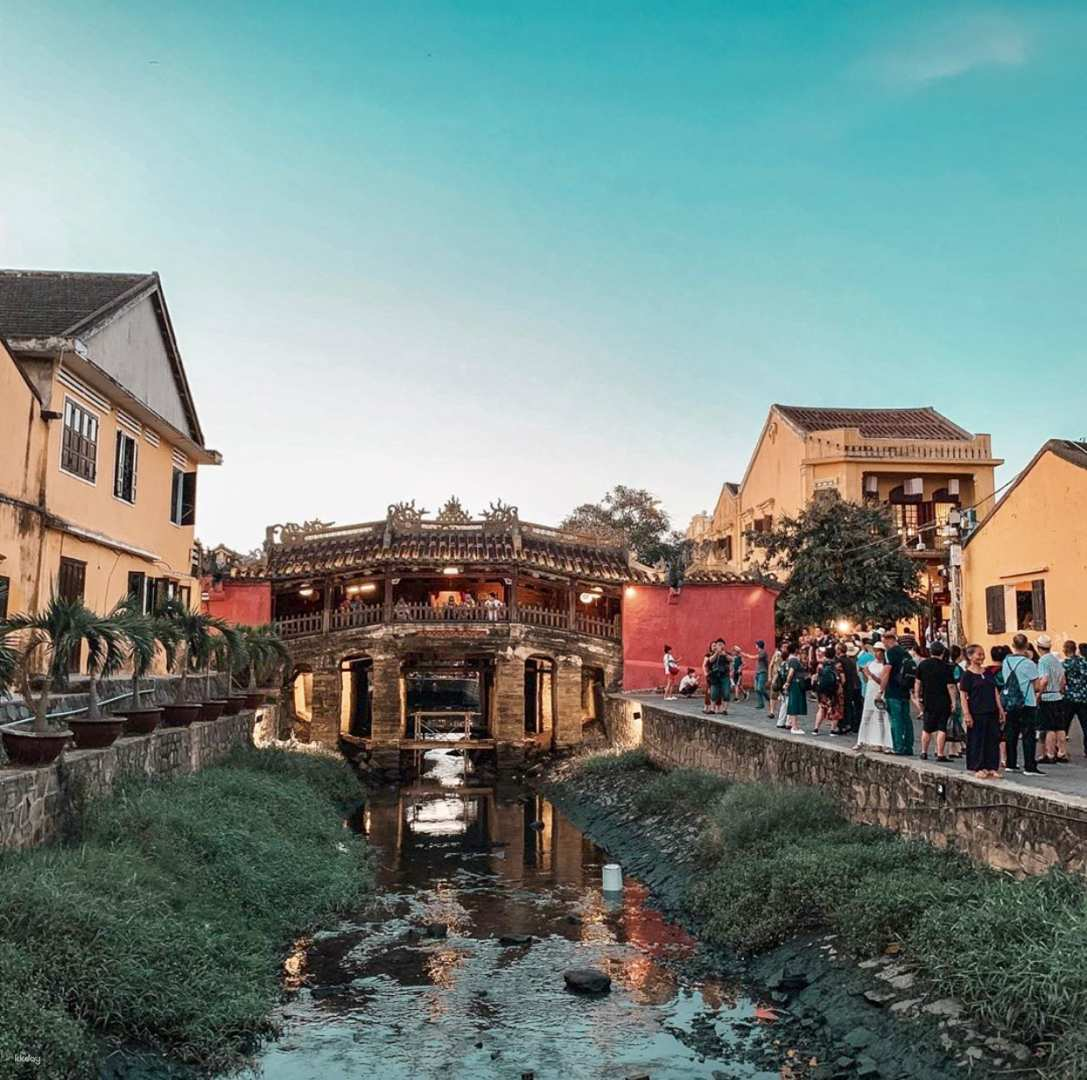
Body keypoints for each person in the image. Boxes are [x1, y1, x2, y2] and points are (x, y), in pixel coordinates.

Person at [959, 643, 1005, 779]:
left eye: (983, 654)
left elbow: (995, 691)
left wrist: (1000, 708)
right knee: (977, 740)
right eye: (978, 654)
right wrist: (966, 714)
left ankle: (992, 766)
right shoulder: (967, 675)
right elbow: (963, 696)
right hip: (976, 711)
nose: (982, 657)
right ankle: (978, 766)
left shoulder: (988, 672)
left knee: (992, 739)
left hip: (991, 710)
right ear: (970, 656)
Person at [1001, 634, 1043, 775]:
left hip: (1010, 701)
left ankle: (1011, 763)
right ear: (1026, 646)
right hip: (1027, 701)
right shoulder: (1029, 664)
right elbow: (1037, 686)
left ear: (1013, 645)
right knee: (1028, 734)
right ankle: (1029, 766)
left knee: (1011, 733)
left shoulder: (1006, 662)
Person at [914, 641, 958, 762]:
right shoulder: (946, 667)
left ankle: (924, 752)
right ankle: (940, 753)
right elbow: (951, 686)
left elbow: (917, 682)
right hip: (943, 700)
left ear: (930, 652)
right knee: (941, 727)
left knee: (927, 727)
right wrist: (954, 702)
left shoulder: (923, 665)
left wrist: (917, 696)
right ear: (943, 653)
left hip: (928, 699)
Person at [880, 631, 915, 756]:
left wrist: (881, 690)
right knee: (906, 719)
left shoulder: (890, 653)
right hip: (904, 690)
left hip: (893, 690)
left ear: (888, 640)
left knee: (896, 720)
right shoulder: (906, 653)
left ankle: (898, 747)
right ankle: (908, 746)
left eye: (884, 642)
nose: (884, 645)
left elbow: (886, 671)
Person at [1036, 634, 1068, 764]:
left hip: (1047, 696)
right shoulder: (1056, 660)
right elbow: (1063, 680)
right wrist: (1060, 690)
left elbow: (1044, 680)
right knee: (1060, 726)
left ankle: (1050, 754)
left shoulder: (1043, 661)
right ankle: (1062, 752)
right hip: (1058, 696)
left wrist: (1039, 694)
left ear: (1038, 647)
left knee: (1049, 727)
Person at [855, 642, 892, 752]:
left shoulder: (884, 666)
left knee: (881, 717)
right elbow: (867, 680)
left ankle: (882, 742)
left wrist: (870, 674)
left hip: (879, 692)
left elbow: (882, 681)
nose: (877, 653)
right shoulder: (870, 663)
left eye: (879, 651)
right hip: (869, 691)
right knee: (866, 716)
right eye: (875, 651)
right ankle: (861, 741)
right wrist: (864, 673)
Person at [814, 646, 843, 736]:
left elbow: (817, 677)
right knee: (835, 709)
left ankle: (816, 729)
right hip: (834, 690)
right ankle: (832, 730)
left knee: (821, 708)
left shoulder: (821, 664)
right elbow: (842, 678)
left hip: (822, 690)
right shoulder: (837, 664)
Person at [1064, 641, 1087, 755]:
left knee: (1064, 724)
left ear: (1065, 650)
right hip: (1083, 697)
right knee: (1085, 725)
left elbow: (1063, 681)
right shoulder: (1084, 662)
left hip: (1069, 697)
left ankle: (1061, 749)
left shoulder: (1065, 664)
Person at [782, 644, 809, 734]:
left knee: (793, 703)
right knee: (794, 704)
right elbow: (791, 673)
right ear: (796, 650)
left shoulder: (790, 659)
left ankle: (793, 724)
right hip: (795, 684)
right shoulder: (794, 660)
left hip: (794, 683)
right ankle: (794, 727)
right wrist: (787, 682)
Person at [837, 641, 862, 735]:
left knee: (844, 706)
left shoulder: (840, 661)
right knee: (851, 706)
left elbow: (842, 676)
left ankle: (844, 725)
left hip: (845, 686)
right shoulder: (851, 661)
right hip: (853, 686)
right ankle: (852, 724)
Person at [705, 640, 731, 715]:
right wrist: (717, 653)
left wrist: (725, 655)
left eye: (721, 644)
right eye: (718, 644)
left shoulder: (726, 653)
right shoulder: (713, 653)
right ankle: (712, 709)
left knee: (726, 693)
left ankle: (724, 710)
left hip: (725, 676)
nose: (719, 646)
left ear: (724, 646)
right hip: (715, 676)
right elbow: (710, 660)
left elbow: (731, 659)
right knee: (714, 692)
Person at [753, 639, 770, 714]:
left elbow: (753, 657)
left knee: (760, 688)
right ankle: (760, 704)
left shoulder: (763, 652)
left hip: (763, 672)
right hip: (758, 672)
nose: (755, 645)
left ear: (759, 645)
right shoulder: (760, 652)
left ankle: (768, 697)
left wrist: (743, 654)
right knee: (757, 689)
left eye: (756, 644)